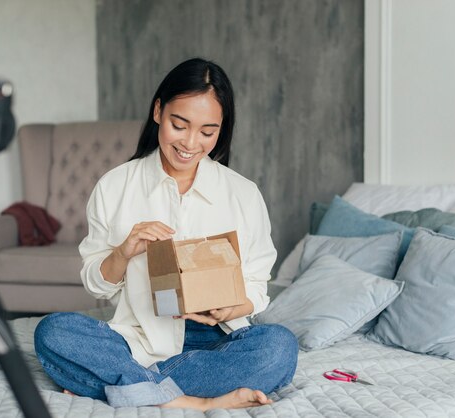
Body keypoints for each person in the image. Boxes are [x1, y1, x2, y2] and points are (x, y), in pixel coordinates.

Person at [34, 58, 298, 411]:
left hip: (216, 342)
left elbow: (257, 286)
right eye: (179, 124)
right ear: (158, 111)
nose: (191, 143)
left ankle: (125, 384)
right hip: (138, 338)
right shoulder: (115, 186)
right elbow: (97, 286)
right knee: (53, 332)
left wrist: (232, 307)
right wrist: (124, 252)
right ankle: (195, 402)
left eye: (207, 132)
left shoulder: (243, 193)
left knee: (279, 347)